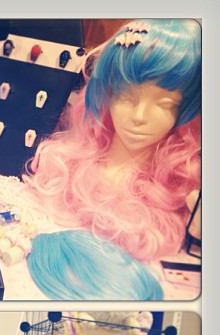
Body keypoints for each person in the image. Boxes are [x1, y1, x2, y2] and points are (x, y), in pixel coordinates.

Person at [22, 19, 201, 263]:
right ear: (107, 94)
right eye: (126, 96)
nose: (139, 116)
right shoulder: (64, 168)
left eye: (164, 104)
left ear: (187, 111)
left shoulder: (182, 192)